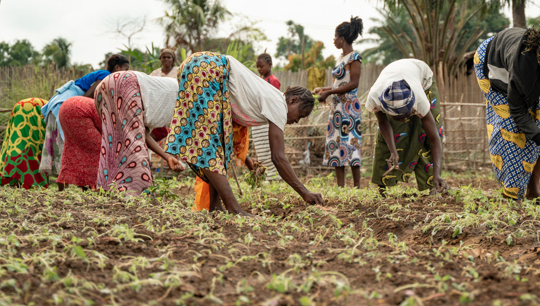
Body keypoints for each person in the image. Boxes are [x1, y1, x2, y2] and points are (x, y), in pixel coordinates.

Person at [165, 51, 324, 216]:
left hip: (203, 66)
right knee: (208, 145)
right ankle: (234, 208)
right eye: (301, 114)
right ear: (293, 101)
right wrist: (304, 192)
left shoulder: (272, 98)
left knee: (217, 147)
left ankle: (215, 206)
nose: (298, 120)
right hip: (209, 69)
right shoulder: (279, 104)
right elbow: (278, 157)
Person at [473, 24, 540, 201]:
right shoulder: (523, 68)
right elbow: (518, 111)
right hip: (492, 63)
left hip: (518, 61)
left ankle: (533, 191)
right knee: (511, 129)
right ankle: (511, 194)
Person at [95, 70, 185, 195]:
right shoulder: (183, 99)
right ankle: (140, 192)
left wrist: (167, 157)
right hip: (128, 83)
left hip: (106, 84)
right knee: (134, 146)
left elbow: (142, 134)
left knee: (114, 142)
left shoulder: (159, 95)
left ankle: (108, 188)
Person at [40, 54, 130, 179]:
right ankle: (65, 179)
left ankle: (63, 180)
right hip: (65, 102)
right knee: (65, 141)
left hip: (62, 102)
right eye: (125, 69)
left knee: (61, 141)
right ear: (117, 67)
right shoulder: (106, 76)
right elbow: (88, 97)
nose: (126, 73)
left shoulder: (106, 76)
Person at [366, 59, 447, 195]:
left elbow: (434, 139)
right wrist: (393, 151)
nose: (404, 120)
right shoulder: (375, 98)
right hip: (396, 72)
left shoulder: (420, 100)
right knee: (387, 136)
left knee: (426, 134)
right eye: (398, 117)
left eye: (406, 114)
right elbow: (384, 123)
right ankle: (382, 186)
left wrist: (437, 173)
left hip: (422, 77)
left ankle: (433, 184)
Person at [313, 17, 364, 188]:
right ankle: (341, 187)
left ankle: (357, 186)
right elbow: (339, 84)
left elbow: (353, 84)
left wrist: (330, 92)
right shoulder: (341, 58)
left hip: (349, 108)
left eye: (335, 37)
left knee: (351, 143)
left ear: (341, 39)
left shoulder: (354, 58)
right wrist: (324, 89)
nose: (333, 40)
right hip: (337, 108)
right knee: (336, 144)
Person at [0, 98, 50, 189]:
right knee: (35, 148)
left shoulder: (57, 103)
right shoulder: (58, 107)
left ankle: (12, 179)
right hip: (32, 110)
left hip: (19, 107)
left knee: (16, 145)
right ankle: (33, 182)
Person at [55, 96, 102, 190]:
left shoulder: (101, 106)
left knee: (71, 147)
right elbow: (105, 131)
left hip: (65, 108)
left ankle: (63, 185)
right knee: (98, 149)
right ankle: (92, 185)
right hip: (78, 111)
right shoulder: (107, 113)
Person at [252, 51, 281, 181]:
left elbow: (273, 102)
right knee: (262, 150)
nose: (259, 69)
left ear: (270, 64)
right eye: (257, 67)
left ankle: (274, 176)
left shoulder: (273, 81)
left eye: (261, 66)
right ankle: (267, 176)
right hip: (259, 119)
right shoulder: (260, 81)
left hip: (267, 120)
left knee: (269, 149)